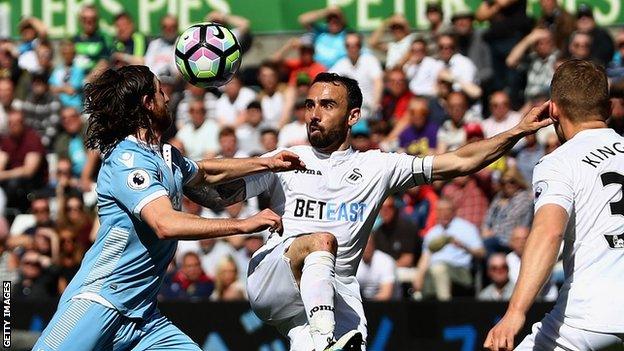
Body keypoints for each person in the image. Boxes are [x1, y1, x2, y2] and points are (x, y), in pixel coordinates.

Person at [221, 71, 551, 350]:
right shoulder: (287, 158)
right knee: (321, 241)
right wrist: (187, 173)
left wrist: (517, 131)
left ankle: (318, 338)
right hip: (273, 278)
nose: (314, 114)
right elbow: (218, 195)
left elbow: (460, 161)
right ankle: (324, 339)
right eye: (310, 105)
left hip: (335, 291)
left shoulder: (378, 166)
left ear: (353, 116)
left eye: (327, 105)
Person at [32, 65, 304, 351]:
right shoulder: (127, 160)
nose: (167, 98)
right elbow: (165, 224)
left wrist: (267, 162)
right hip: (100, 300)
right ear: (148, 104)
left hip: (144, 317)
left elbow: (206, 172)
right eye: (161, 92)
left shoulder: (165, 154)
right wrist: (241, 223)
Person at [484, 59, 624, 350]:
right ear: (609, 109)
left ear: (554, 109)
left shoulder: (560, 161)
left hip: (589, 320)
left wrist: (514, 313)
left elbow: (548, 233)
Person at [413, 198, 485, 300]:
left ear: (454, 211)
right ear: (436, 212)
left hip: (460, 271)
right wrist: (418, 276)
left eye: (447, 209)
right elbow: (425, 258)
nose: (444, 213)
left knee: (438, 268)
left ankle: (445, 308)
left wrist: (463, 246)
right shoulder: (432, 233)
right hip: (433, 270)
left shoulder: (466, 228)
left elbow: (482, 253)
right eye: (441, 210)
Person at [355, 235, 396, 301]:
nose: (366, 247)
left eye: (368, 243)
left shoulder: (386, 261)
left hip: (388, 305)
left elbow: (386, 294)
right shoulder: (354, 262)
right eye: (363, 243)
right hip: (363, 303)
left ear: (374, 244)